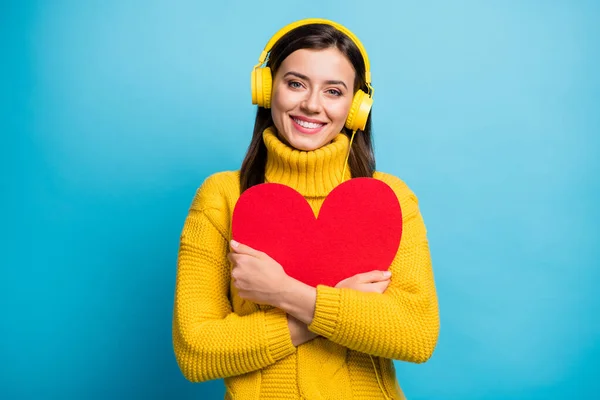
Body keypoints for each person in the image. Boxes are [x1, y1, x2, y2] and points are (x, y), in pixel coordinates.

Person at [172, 18, 440, 400]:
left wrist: (284, 292)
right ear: (267, 89)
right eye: (296, 83)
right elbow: (196, 352)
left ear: (356, 107)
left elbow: (416, 334)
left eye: (333, 91)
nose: (312, 105)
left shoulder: (390, 199)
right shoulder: (221, 197)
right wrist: (336, 306)